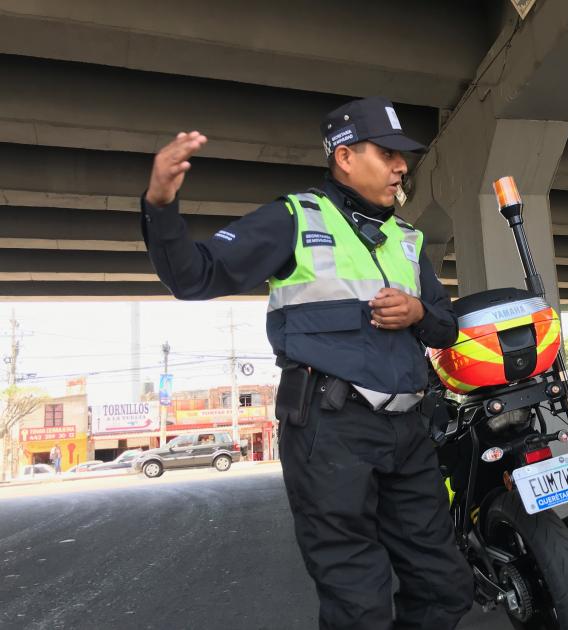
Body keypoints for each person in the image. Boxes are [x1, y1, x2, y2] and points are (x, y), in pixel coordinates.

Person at [141, 96, 473, 630]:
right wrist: (160, 205)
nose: (401, 166)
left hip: (409, 431)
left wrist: (416, 311)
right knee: (359, 602)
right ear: (344, 156)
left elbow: (445, 325)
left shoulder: (408, 240)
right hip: (331, 427)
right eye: (388, 154)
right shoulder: (294, 218)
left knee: (443, 585)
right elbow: (193, 276)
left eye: (402, 156)